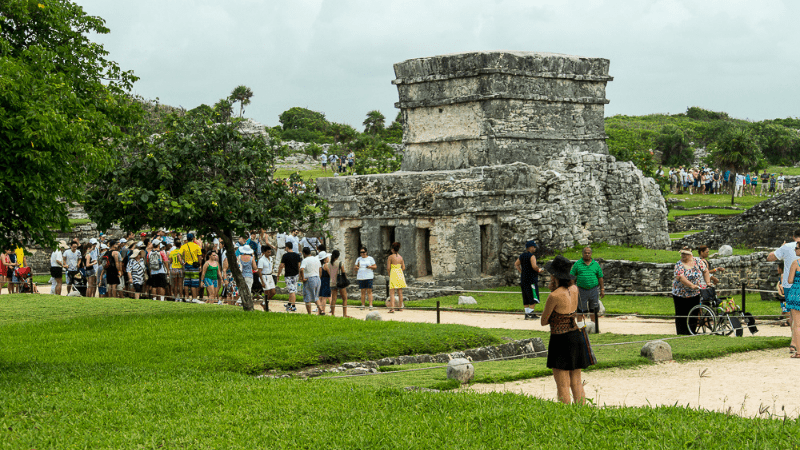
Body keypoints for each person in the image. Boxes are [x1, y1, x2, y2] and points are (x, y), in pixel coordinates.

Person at [540, 255, 589, 405]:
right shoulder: (574, 289)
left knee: (562, 383)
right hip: (575, 335)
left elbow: (544, 321)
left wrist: (552, 289)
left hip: (560, 339)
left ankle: (565, 413)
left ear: (555, 276)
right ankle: (582, 410)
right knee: (576, 380)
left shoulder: (554, 296)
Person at [672, 247, 710, 335]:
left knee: (693, 313)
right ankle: (681, 333)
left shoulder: (698, 261)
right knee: (682, 314)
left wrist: (708, 282)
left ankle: (692, 332)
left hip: (695, 293)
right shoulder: (679, 264)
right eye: (682, 254)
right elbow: (681, 277)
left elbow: (705, 271)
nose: (683, 256)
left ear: (690, 255)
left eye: (685, 254)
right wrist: (691, 285)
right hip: (681, 294)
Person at [570, 246, 605, 322]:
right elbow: (572, 276)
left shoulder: (595, 264)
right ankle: (580, 327)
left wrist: (602, 289)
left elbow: (600, 277)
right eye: (585, 253)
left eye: (588, 253)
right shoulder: (577, 264)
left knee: (594, 309)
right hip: (581, 290)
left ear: (591, 254)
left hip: (594, 289)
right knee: (580, 310)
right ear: (582, 253)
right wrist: (572, 288)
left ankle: (594, 327)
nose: (587, 254)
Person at [515, 240, 543, 320]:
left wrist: (522, 272)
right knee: (533, 294)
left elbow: (516, 264)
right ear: (530, 247)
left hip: (524, 278)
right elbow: (534, 266)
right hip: (531, 278)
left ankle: (527, 313)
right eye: (534, 247)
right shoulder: (532, 256)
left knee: (526, 295)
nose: (535, 248)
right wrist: (539, 270)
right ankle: (531, 313)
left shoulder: (522, 256)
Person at [781, 243, 800, 358]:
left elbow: (790, 279)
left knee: (797, 324)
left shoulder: (796, 263)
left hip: (796, 294)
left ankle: (799, 351)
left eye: (797, 248)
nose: (795, 250)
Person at [277, 241, 302, 312]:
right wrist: (300, 275)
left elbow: (281, 266)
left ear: (287, 247)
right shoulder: (297, 255)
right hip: (295, 274)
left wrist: (278, 274)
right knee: (292, 289)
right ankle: (289, 303)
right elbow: (299, 266)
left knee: (291, 291)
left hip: (288, 275)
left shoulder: (285, 256)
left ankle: (293, 306)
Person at [180, 233, 203, 303]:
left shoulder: (183, 246)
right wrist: (200, 265)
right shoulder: (197, 246)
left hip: (187, 266)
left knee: (186, 283)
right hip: (194, 266)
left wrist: (181, 262)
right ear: (193, 238)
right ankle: (194, 298)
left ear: (187, 239)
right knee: (194, 282)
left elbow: (179, 254)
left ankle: (186, 298)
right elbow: (199, 257)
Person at [299, 247, 322, 315]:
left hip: (309, 278)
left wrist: (303, 278)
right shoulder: (316, 259)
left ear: (304, 253)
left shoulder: (305, 260)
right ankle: (321, 310)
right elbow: (320, 269)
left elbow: (301, 269)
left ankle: (309, 313)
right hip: (317, 278)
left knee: (308, 297)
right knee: (316, 297)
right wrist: (319, 277)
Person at [386, 242, 406, 313]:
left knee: (392, 292)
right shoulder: (400, 257)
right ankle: (400, 307)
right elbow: (403, 267)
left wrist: (389, 274)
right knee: (400, 292)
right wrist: (398, 270)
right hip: (400, 273)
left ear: (392, 249)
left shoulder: (390, 257)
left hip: (393, 273)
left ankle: (392, 308)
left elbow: (388, 268)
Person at [328, 250, 349, 317]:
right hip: (340, 282)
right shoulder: (340, 263)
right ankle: (344, 314)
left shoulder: (329, 264)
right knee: (344, 298)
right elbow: (343, 272)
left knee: (334, 299)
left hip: (332, 282)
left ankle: (333, 314)